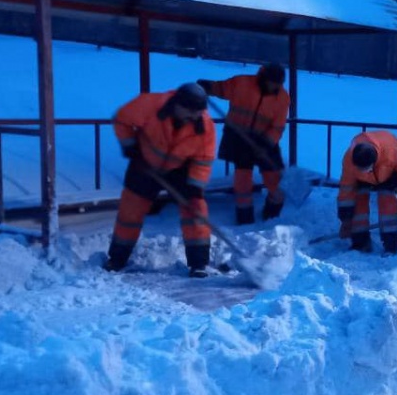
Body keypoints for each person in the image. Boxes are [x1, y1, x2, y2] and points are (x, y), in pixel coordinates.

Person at [103, 82, 216, 277]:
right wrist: (130, 146)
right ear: (178, 105)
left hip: (180, 169)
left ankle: (198, 263)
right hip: (144, 163)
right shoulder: (150, 105)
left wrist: (195, 186)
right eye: (191, 112)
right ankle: (117, 259)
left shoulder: (204, 126)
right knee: (131, 211)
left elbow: (204, 159)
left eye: (198, 112)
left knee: (196, 210)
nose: (195, 117)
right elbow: (121, 119)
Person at [197, 63, 290, 225]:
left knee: (275, 177)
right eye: (271, 83)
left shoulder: (282, 97)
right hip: (238, 137)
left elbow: (277, 126)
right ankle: (244, 216)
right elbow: (221, 88)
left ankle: (272, 215)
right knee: (243, 178)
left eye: (278, 84)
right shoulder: (242, 83)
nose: (274, 87)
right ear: (263, 78)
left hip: (264, 140)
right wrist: (207, 87)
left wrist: (266, 144)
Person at [337, 131, 397, 254]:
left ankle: (391, 243)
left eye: (365, 169)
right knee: (358, 201)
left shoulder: (394, 152)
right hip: (363, 180)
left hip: (388, 174)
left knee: (387, 201)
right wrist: (346, 220)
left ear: (374, 162)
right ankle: (360, 242)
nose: (363, 171)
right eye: (359, 169)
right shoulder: (349, 161)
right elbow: (346, 189)